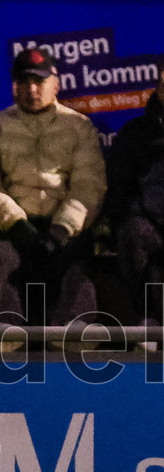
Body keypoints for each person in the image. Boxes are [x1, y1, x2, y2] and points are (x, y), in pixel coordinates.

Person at [0, 48, 106, 334]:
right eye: (25, 82)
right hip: (14, 226)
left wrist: (62, 230)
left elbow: (88, 185)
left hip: (64, 226)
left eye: (40, 81)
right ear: (14, 86)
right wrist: (18, 224)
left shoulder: (79, 127)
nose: (33, 89)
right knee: (1, 258)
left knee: (76, 258)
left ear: (56, 84)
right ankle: (4, 333)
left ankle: (74, 332)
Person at [106, 60, 164, 326]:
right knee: (132, 231)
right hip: (149, 223)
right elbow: (118, 190)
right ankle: (147, 321)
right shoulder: (135, 133)